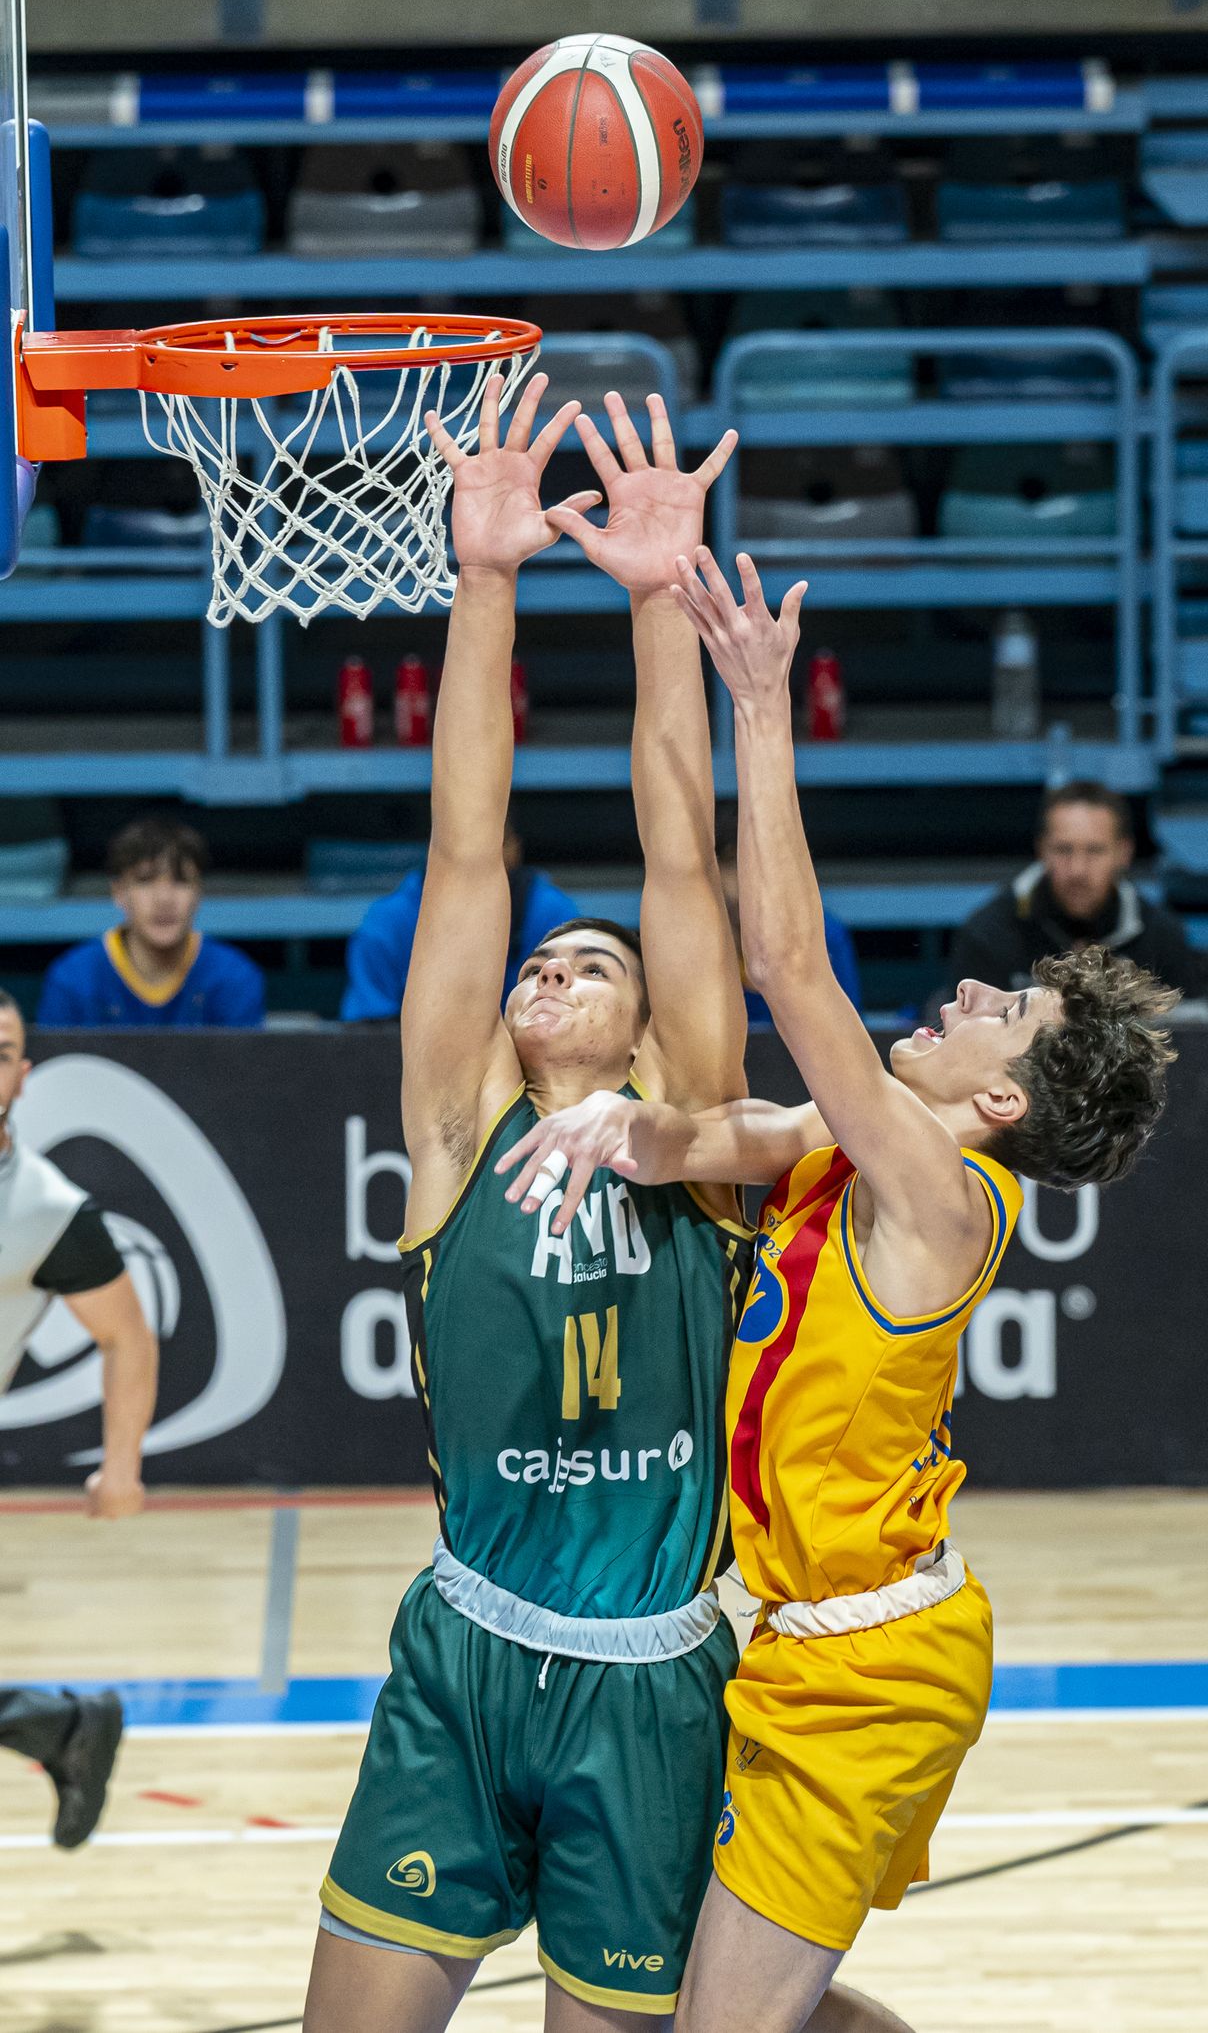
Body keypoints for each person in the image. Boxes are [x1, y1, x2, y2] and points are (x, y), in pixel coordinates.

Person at [497, 549, 1178, 2033]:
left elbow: (786, 961)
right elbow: (736, 1131)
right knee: (742, 2002)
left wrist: (761, 703)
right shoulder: (863, 1142)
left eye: (1004, 1011)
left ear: (1002, 1101)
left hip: (873, 1668)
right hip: (802, 1638)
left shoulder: (943, 1194)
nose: (969, 991)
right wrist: (634, 1129)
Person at [304, 381, 758, 2032]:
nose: (551, 971)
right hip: (466, 1657)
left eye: (592, 965)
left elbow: (682, 856)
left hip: (652, 1681)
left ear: (646, 1030)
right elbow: (465, 849)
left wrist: (657, 603)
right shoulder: (458, 1131)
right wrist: (483, 579)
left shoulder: (698, 1136)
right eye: (540, 964)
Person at [0, 988, 157, 1846]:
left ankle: (60, 1726)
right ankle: (60, 1726)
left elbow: (127, 1335)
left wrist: (121, 1466)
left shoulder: (48, 1209)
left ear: (22, 1076)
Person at [931, 781, 1197, 1012]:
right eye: (1063, 849)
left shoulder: (1162, 938)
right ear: (1042, 850)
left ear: (1124, 853)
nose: (1077, 870)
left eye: (1094, 850)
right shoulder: (988, 934)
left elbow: (1193, 1038)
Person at [36, 816, 265, 1027]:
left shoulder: (235, 977)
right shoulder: (72, 980)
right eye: (145, 881)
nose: (164, 899)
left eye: (181, 881)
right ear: (119, 893)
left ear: (199, 892)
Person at [341, 821, 579, 1022]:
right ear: (434, 848)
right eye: (460, 843)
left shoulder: (554, 917)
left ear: (514, 848)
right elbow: (370, 1032)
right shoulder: (386, 925)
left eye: (492, 842)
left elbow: (572, 1020)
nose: (475, 857)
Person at [715, 803, 861, 1025]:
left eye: (757, 862)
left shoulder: (823, 933)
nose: (746, 876)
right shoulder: (696, 939)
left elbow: (847, 1024)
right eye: (733, 863)